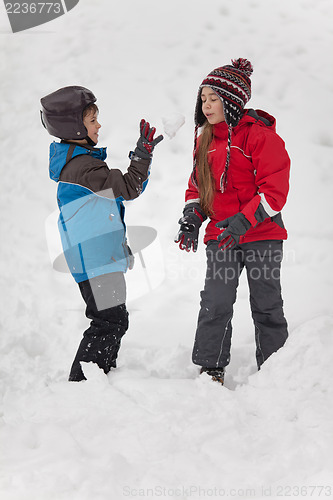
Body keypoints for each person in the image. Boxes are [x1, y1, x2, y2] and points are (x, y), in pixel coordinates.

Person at [175, 59, 290, 385]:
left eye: (213, 98)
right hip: (222, 237)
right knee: (216, 302)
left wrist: (244, 220)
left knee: (266, 305)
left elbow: (275, 190)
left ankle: (275, 371)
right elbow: (197, 187)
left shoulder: (260, 138)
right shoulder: (205, 140)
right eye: (203, 98)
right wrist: (192, 217)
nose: (206, 105)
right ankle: (210, 369)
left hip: (263, 236)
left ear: (232, 101)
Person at [41, 85, 163, 381]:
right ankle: (83, 382)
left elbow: (103, 210)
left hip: (96, 259)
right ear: (75, 127)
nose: (99, 125)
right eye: (92, 120)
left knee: (113, 320)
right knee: (109, 321)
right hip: (94, 262)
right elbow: (128, 188)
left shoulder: (80, 163)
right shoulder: (83, 168)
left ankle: (102, 374)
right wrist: (143, 156)